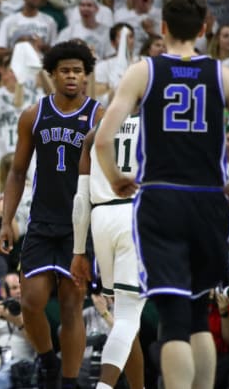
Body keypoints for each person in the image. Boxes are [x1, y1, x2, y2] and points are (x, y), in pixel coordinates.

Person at [92, 0, 229, 389]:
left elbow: (103, 140)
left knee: (173, 317)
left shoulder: (144, 71)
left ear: (163, 27)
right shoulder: (223, 74)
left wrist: (116, 177)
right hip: (209, 201)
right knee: (197, 313)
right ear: (205, 30)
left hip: (161, 198)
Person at [0, 40, 101, 389]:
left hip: (80, 225)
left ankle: (69, 381)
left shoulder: (98, 115)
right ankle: (46, 359)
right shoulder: (34, 114)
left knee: (72, 306)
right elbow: (17, 171)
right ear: (52, 74)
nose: (72, 76)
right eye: (65, 70)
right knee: (30, 301)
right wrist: (7, 218)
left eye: (78, 70)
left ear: (86, 76)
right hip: (41, 220)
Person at [70, 109, 146, 389]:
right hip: (137, 216)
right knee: (127, 316)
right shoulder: (160, 126)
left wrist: (79, 251)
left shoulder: (95, 132)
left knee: (127, 318)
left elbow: (80, 199)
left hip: (101, 220)